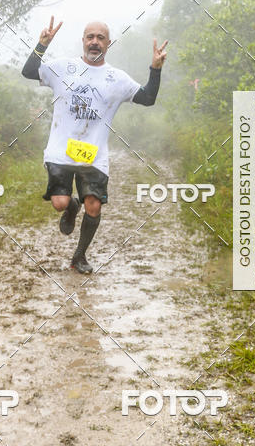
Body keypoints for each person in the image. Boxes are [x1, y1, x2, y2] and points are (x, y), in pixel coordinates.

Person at [21, 17, 167, 274]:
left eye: (100, 38)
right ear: (83, 40)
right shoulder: (64, 68)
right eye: (90, 37)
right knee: (59, 203)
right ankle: (71, 207)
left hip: (94, 154)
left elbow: (147, 98)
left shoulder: (117, 78)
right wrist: (41, 45)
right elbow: (29, 72)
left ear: (108, 44)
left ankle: (79, 257)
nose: (95, 42)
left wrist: (155, 69)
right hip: (61, 150)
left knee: (95, 205)